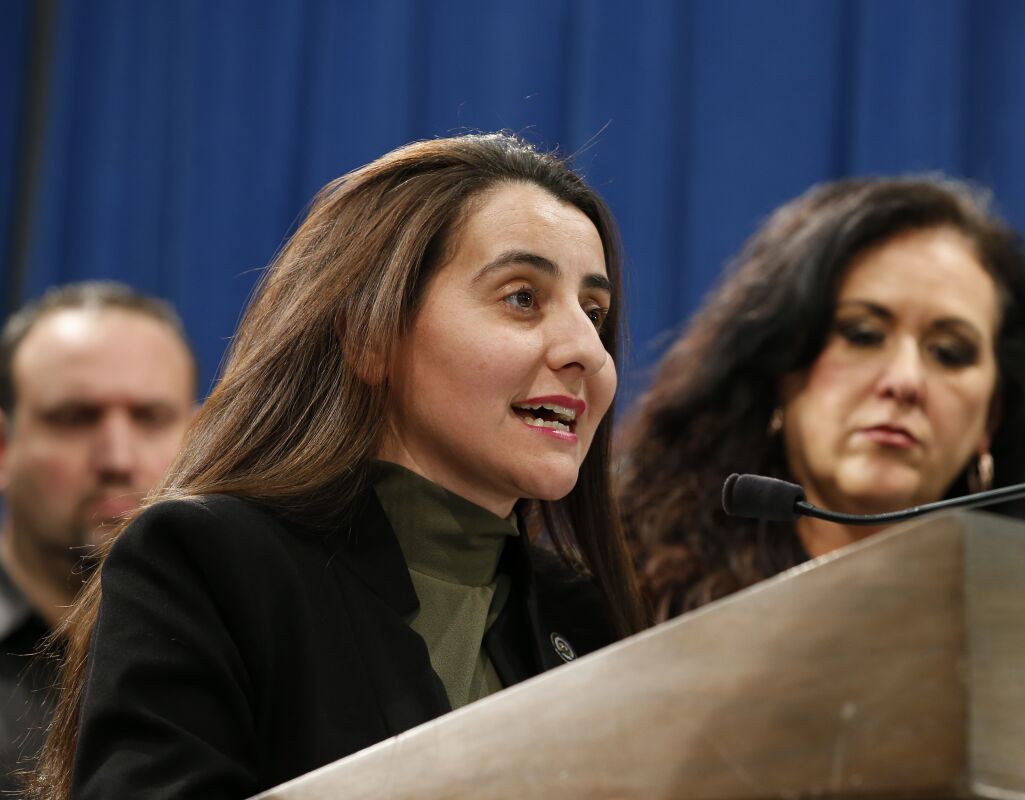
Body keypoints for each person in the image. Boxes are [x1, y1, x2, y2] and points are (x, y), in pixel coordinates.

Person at [30, 133, 646, 800]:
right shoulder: (209, 562)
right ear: (369, 337)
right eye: (522, 297)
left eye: (594, 312)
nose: (587, 349)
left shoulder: (585, 618)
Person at [619, 177, 1025, 621]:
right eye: (863, 334)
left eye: (949, 353)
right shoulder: (624, 587)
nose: (905, 381)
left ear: (992, 418)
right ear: (781, 365)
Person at [0, 282, 196, 792]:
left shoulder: (248, 646)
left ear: (198, 439)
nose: (117, 459)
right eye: (75, 419)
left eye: (150, 418)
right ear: (4, 448)